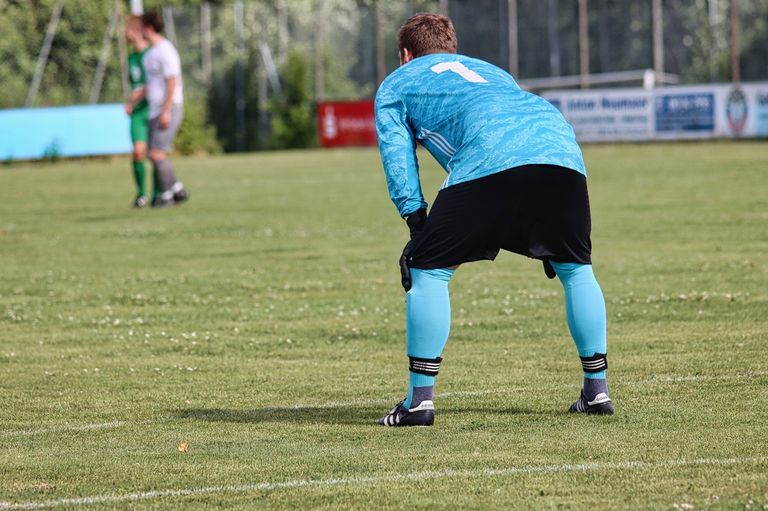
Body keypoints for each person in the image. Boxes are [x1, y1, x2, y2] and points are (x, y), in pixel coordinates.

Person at [375, 13, 613, 427]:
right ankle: (597, 391)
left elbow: (398, 155)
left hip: (492, 156)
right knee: (575, 268)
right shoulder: (491, 71)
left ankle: (418, 403)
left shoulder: (398, 81)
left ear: (405, 55)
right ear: (452, 48)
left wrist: (417, 222)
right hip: (561, 151)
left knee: (428, 268)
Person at [140, 11, 189, 208]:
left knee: (157, 154)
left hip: (168, 107)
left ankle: (169, 194)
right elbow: (151, 84)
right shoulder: (150, 53)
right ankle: (176, 190)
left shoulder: (165, 50)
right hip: (154, 109)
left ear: (149, 28)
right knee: (154, 154)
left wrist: (167, 110)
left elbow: (172, 81)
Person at [124, 15, 151, 208]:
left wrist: (132, 100)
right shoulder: (130, 58)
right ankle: (142, 193)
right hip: (138, 113)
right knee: (138, 152)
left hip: (152, 108)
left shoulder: (152, 54)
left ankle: (160, 193)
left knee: (156, 154)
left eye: (128, 28)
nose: (125, 32)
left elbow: (152, 85)